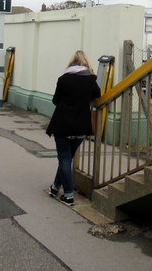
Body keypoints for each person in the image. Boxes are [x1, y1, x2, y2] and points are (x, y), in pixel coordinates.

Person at [45, 50, 101, 206]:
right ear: (85, 64)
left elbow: (55, 101)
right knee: (67, 159)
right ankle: (55, 187)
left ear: (71, 63)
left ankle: (68, 195)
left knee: (64, 159)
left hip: (62, 124)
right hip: (81, 126)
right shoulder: (90, 79)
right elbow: (97, 94)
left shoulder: (63, 79)